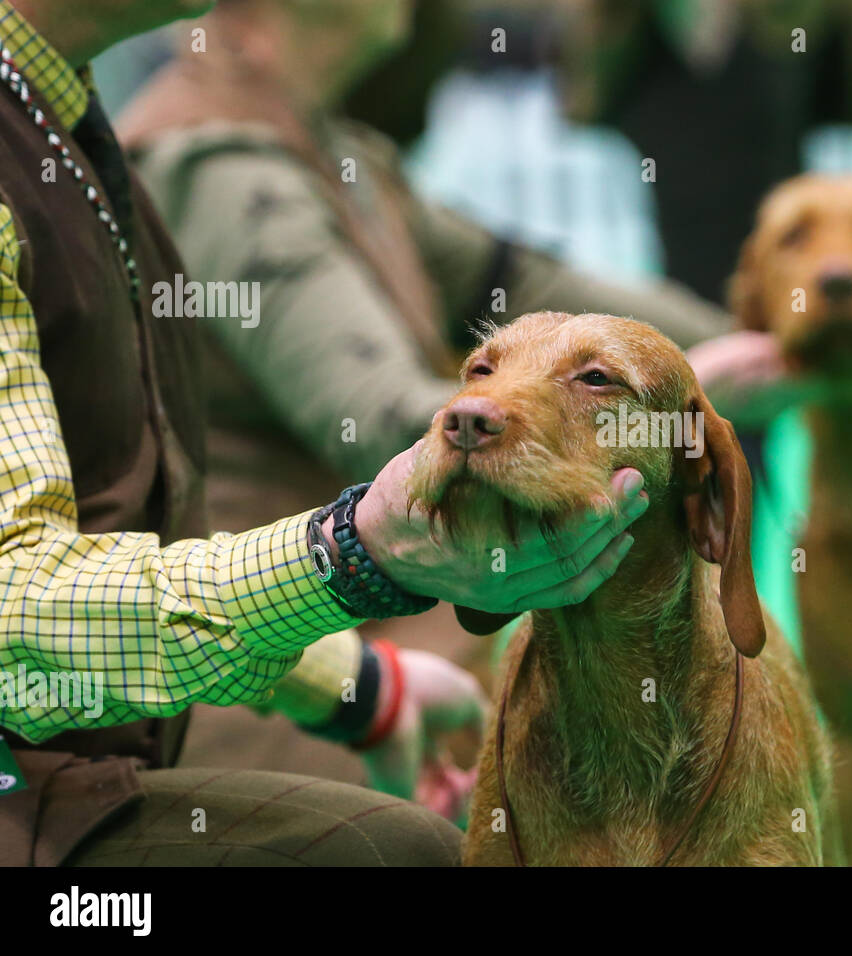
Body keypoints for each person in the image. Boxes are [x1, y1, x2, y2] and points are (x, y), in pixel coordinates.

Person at [0, 0, 648, 866]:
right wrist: (349, 555)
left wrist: (359, 688)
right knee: (400, 846)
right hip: (107, 755)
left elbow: (530, 276)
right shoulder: (207, 156)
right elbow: (11, 617)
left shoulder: (67, 120)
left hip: (170, 716)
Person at [112, 0, 765, 788]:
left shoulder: (335, 148)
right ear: (251, 17)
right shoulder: (220, 169)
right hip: (283, 677)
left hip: (394, 616)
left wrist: (758, 343)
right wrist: (681, 396)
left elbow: (527, 281)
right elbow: (383, 418)